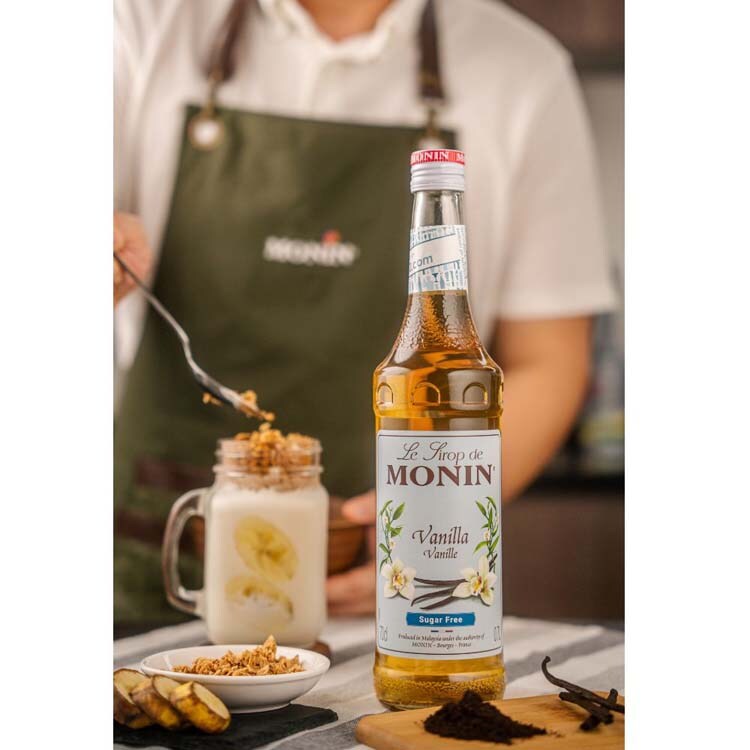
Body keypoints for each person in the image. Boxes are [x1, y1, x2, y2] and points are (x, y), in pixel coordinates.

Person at [114, 0, 615, 626]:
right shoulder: (136, 24)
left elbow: (548, 359)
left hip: (387, 586)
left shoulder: (522, 70)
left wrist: (434, 518)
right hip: (147, 561)